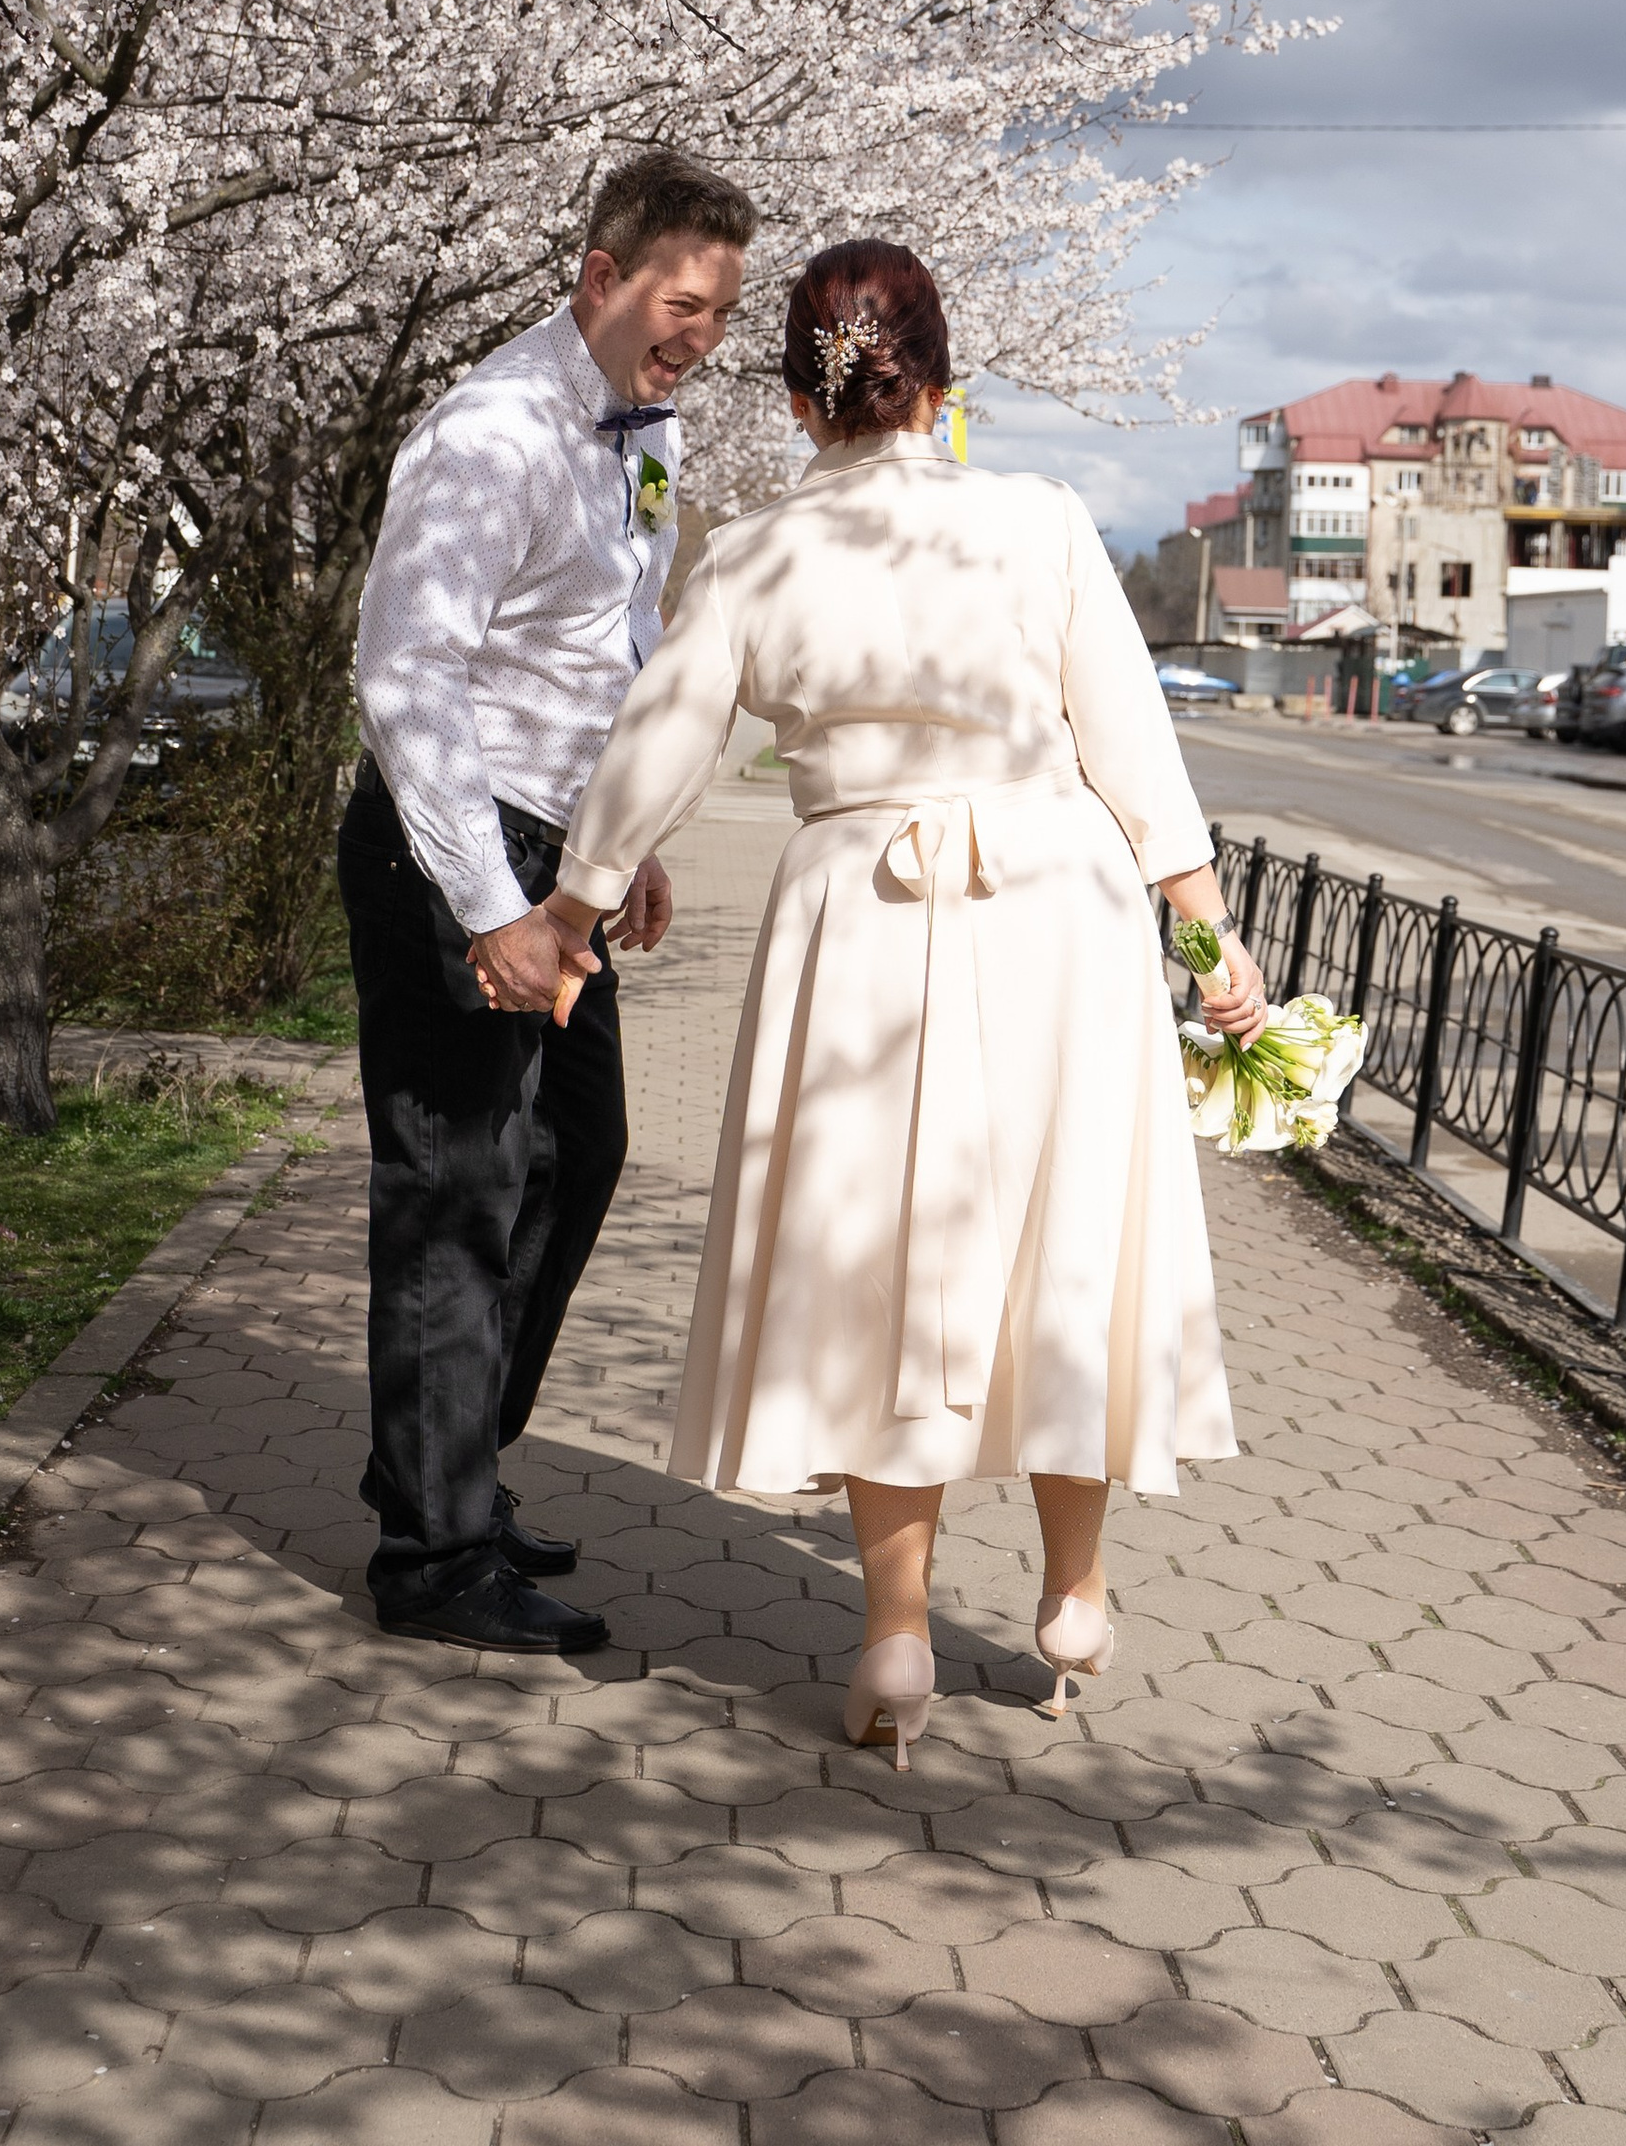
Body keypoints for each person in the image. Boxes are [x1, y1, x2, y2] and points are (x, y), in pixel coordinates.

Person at [538, 237, 1266, 1766]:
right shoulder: (1040, 519)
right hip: (1059, 904)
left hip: (858, 915)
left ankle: (893, 1632)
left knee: (886, 1262)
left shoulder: (757, 551)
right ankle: (1075, 1593)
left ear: (802, 402)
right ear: (942, 383)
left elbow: (661, 739)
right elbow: (1129, 735)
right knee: (1063, 1238)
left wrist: (576, 905)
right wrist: (1208, 935)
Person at [341, 147, 753, 1651]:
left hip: (559, 855)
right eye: (683, 304)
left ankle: (444, 1464)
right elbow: (407, 670)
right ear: (602, 274)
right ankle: (436, 1557)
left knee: (579, 1149)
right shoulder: (493, 433)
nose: (702, 336)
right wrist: (486, 906)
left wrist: (616, 842)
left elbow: (607, 647)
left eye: (722, 312)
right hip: (453, 850)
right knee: (459, 1186)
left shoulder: (645, 427)